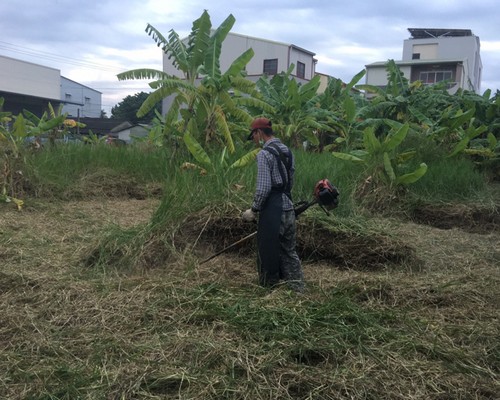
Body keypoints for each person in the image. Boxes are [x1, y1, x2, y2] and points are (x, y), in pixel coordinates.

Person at [242, 117, 304, 293]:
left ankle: (269, 291)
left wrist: (253, 210)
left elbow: (263, 188)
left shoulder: (264, 154)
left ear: (259, 133)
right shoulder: (287, 151)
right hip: (288, 206)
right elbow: (290, 179)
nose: (254, 139)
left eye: (253, 135)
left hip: (273, 210)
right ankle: (297, 289)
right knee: (289, 250)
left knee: (267, 250)